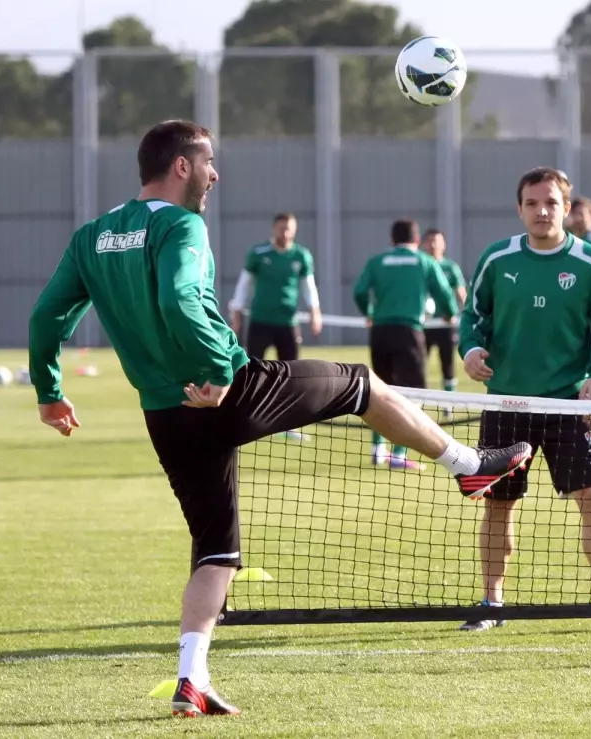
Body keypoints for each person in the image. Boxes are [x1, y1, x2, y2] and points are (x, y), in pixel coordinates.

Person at [26, 120, 530, 718]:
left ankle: (192, 678)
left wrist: (49, 392)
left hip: (165, 415)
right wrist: (216, 369)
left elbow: (45, 317)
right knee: (364, 384)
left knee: (216, 551)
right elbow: (178, 299)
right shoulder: (180, 224)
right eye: (208, 161)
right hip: (229, 391)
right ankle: (468, 465)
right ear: (180, 166)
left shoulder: (92, 236)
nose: (215, 174)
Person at [459, 166, 591, 634]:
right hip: (507, 406)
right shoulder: (497, 260)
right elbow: (472, 317)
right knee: (498, 505)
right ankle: (492, 604)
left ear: (567, 209)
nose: (541, 211)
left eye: (551, 202)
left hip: (570, 408)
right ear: (519, 209)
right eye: (532, 203)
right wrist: (471, 350)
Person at [353, 219, 458, 470]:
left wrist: (368, 311)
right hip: (409, 331)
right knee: (411, 395)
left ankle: (378, 449)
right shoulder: (424, 261)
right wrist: (449, 313)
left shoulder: (377, 262)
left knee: (379, 390)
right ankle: (398, 455)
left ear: (392, 239)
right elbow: (444, 293)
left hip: (379, 332)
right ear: (417, 239)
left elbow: (359, 290)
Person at [228, 212, 321, 361]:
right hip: (260, 319)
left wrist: (315, 313)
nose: (285, 233)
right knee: (253, 367)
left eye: (288, 229)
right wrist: (237, 313)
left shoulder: (301, 256)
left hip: (287, 320)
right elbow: (244, 285)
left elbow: (308, 287)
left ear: (295, 230)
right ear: (274, 229)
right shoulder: (259, 253)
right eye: (281, 228)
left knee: (291, 368)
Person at [422, 228, 467, 398]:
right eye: (430, 241)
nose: (434, 245)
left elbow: (461, 293)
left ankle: (449, 402)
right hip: (423, 325)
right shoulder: (420, 265)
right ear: (424, 243)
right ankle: (418, 401)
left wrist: (468, 312)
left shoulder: (450, 267)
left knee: (448, 364)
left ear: (444, 244)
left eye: (437, 241)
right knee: (418, 364)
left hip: (445, 324)